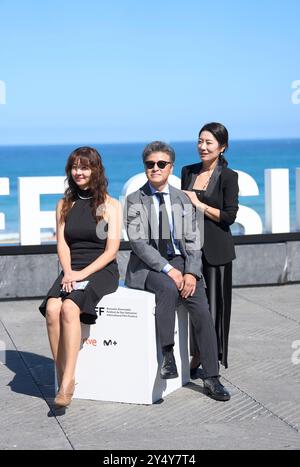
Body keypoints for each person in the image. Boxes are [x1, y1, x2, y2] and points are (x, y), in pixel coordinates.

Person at [125, 141, 230, 401]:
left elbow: (195, 240)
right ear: (145, 167)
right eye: (150, 164)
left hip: (183, 262)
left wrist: (192, 273)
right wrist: (169, 269)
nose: (155, 168)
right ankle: (168, 354)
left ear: (170, 167)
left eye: (161, 164)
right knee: (167, 288)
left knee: (202, 310)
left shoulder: (183, 198)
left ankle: (212, 376)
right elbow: (139, 244)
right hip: (149, 266)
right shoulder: (133, 200)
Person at [39, 146, 120, 408]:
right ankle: (61, 372)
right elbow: (62, 244)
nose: (79, 172)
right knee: (52, 308)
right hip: (71, 268)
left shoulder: (110, 205)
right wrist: (69, 272)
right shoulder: (64, 204)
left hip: (100, 269)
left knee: (70, 308)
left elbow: (111, 251)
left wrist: (81, 274)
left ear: (96, 170)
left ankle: (68, 381)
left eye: (84, 167)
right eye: (75, 167)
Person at [181, 122, 239, 377]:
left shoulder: (229, 177)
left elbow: (229, 217)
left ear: (222, 147)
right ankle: (195, 354)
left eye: (209, 143)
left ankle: (211, 359)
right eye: (200, 141)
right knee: (192, 306)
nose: (202, 147)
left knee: (215, 308)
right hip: (189, 250)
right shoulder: (187, 171)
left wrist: (198, 203)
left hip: (217, 252)